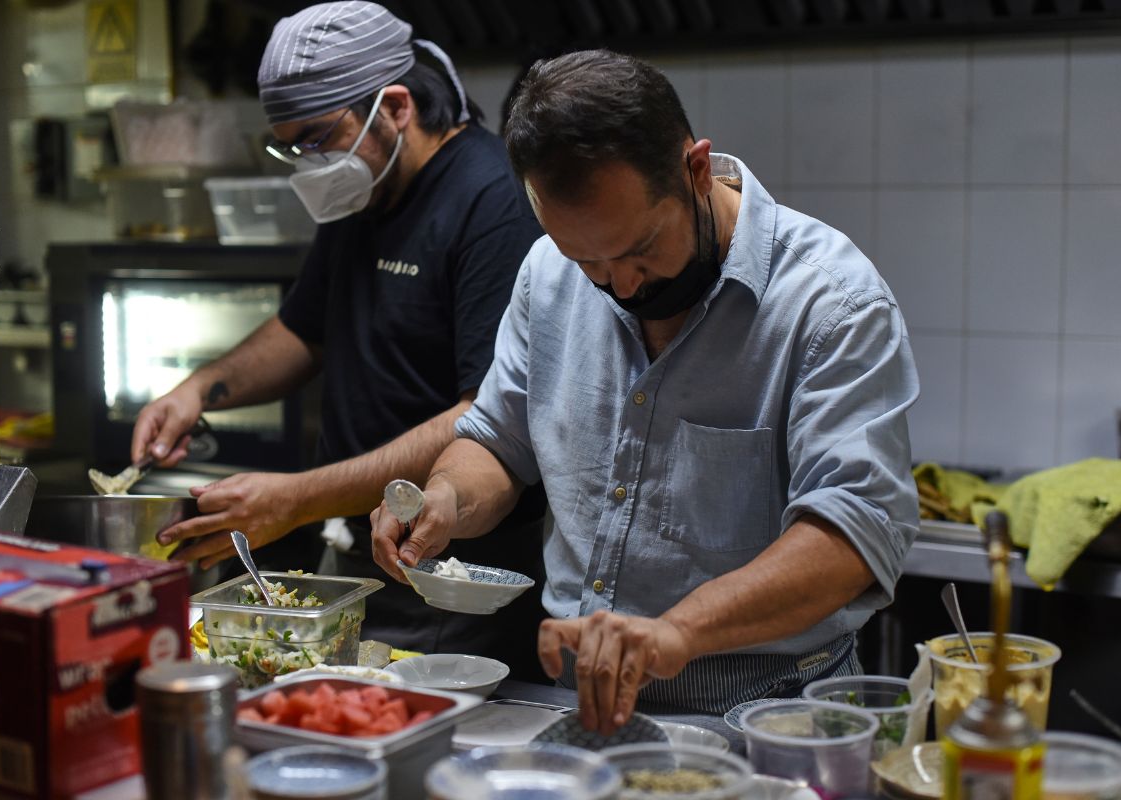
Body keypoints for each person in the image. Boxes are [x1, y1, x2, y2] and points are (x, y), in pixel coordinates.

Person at [371, 49, 920, 731]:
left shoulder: (831, 302)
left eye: (641, 250)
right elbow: (497, 441)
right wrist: (446, 499)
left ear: (695, 168)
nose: (622, 287)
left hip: (769, 709)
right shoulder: (548, 273)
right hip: (578, 695)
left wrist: (679, 631)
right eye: (588, 261)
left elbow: (854, 532)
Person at [133, 2, 547, 676]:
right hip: (359, 561)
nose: (309, 162)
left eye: (319, 137)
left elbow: (485, 416)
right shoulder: (365, 189)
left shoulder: (490, 201)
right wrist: (199, 390)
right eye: (291, 145)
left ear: (396, 106)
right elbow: (304, 331)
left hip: (454, 575)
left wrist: (298, 497)